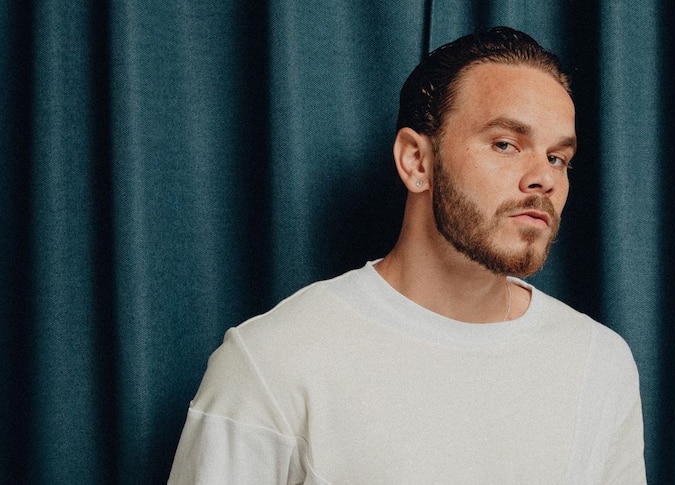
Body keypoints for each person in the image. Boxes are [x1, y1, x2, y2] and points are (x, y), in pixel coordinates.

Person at [168, 26, 646, 484]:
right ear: (417, 161)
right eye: (506, 144)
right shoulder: (271, 363)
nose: (543, 177)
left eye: (557, 157)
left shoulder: (599, 364)